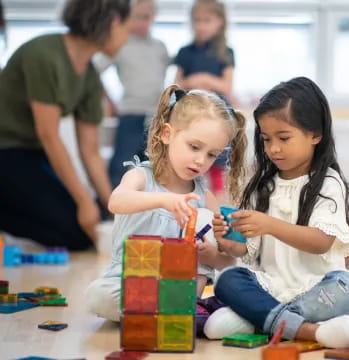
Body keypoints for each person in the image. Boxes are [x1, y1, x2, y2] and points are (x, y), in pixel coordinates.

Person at [208, 77, 349, 349]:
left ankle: (263, 319)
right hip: (272, 288)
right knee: (228, 279)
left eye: (283, 138)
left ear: (315, 135)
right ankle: (311, 331)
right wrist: (227, 242)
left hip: (318, 290)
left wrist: (269, 224)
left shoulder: (328, 183)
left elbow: (321, 242)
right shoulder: (262, 187)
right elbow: (245, 250)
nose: (273, 149)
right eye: (266, 139)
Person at [85, 84, 247, 322]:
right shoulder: (140, 176)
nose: (201, 160)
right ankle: (164, 312)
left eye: (212, 154)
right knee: (96, 296)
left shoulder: (203, 197)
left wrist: (211, 255)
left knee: (203, 215)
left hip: (179, 288)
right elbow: (116, 202)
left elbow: (228, 262)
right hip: (129, 282)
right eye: (194, 147)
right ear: (167, 134)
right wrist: (165, 200)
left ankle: (173, 309)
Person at [0, 0, 131, 250]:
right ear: (114, 22)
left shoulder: (91, 76)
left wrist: (113, 207)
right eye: (127, 27)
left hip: (33, 154)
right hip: (6, 152)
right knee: (77, 229)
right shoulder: (43, 54)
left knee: (94, 221)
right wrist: (83, 202)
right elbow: (48, 135)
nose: (127, 37)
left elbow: (90, 152)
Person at [95, 0, 170, 189]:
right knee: (122, 162)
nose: (141, 23)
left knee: (154, 165)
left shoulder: (160, 47)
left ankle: (148, 208)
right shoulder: (120, 43)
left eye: (146, 17)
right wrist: (109, 101)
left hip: (156, 116)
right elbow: (94, 70)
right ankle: (110, 207)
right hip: (130, 113)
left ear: (153, 17)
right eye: (136, 17)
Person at [174, 0, 234, 198]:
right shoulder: (185, 52)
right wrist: (192, 82)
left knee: (215, 159)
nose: (201, 26)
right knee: (191, 155)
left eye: (207, 20)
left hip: (216, 115)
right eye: (197, 20)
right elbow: (177, 84)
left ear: (220, 22)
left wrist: (205, 79)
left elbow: (226, 86)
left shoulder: (225, 52)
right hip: (192, 115)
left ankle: (215, 204)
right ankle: (188, 198)